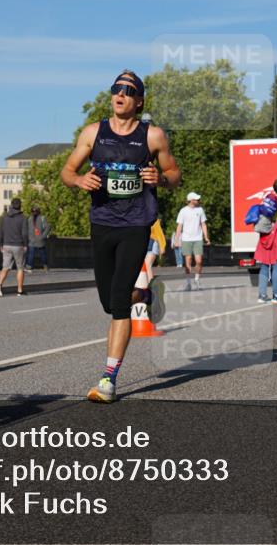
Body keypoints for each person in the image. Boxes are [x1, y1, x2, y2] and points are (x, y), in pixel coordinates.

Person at [60, 70, 180, 404]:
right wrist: (79, 181)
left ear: (139, 101)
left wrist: (161, 178)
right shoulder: (93, 132)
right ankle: (144, 294)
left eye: (128, 90)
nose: (120, 94)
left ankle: (109, 379)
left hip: (136, 223)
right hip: (101, 221)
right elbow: (67, 171)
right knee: (109, 300)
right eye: (116, 89)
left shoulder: (152, 136)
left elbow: (174, 174)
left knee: (117, 305)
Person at [255, 179, 277, 303]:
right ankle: (276, 295)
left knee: (264, 264)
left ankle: (262, 295)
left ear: (274, 188)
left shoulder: (267, 200)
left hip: (265, 232)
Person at [176, 192, 210, 291]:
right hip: (186, 239)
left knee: (199, 261)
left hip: (198, 238)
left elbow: (203, 224)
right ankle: (188, 282)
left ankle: (197, 279)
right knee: (188, 261)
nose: (198, 201)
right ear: (191, 200)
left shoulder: (200, 210)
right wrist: (177, 240)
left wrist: (206, 237)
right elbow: (179, 226)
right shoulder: (183, 211)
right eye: (196, 199)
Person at [0, 198, 30, 296]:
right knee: (20, 268)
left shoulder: (4, 217)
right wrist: (25, 244)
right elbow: (24, 233)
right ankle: (19, 290)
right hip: (18, 245)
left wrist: (1, 244)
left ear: (11, 205)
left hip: (6, 245)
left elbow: (0, 233)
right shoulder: (23, 218)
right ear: (20, 206)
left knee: (5, 267)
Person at [26, 205, 51, 272]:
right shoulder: (42, 218)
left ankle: (29, 267)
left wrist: (29, 237)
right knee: (42, 254)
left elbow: (26, 229)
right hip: (39, 240)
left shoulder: (29, 219)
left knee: (31, 254)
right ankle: (45, 266)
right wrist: (43, 236)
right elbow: (48, 227)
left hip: (32, 240)